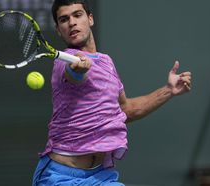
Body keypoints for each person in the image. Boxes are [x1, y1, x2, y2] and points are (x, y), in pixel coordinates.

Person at [32, 0, 192, 185]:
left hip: (101, 176)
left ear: (90, 19)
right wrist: (78, 70)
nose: (72, 22)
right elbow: (74, 75)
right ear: (59, 29)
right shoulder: (63, 63)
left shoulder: (106, 62)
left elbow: (126, 109)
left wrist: (169, 90)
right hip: (60, 177)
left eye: (77, 15)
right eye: (64, 19)